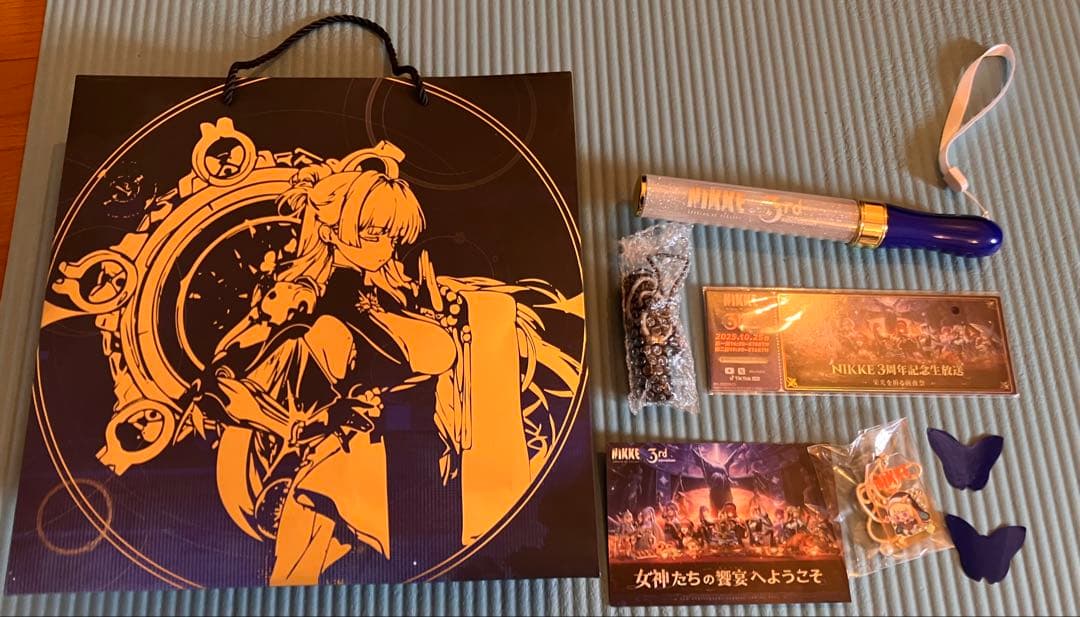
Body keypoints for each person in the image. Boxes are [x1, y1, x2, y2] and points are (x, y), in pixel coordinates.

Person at [189, 142, 583, 585]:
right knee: (299, 575)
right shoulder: (299, 299)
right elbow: (217, 385)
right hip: (336, 462)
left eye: (393, 237)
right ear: (332, 229)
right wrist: (297, 427)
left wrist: (449, 314)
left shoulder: (389, 294)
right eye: (373, 233)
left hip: (418, 469)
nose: (384, 248)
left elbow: (435, 352)